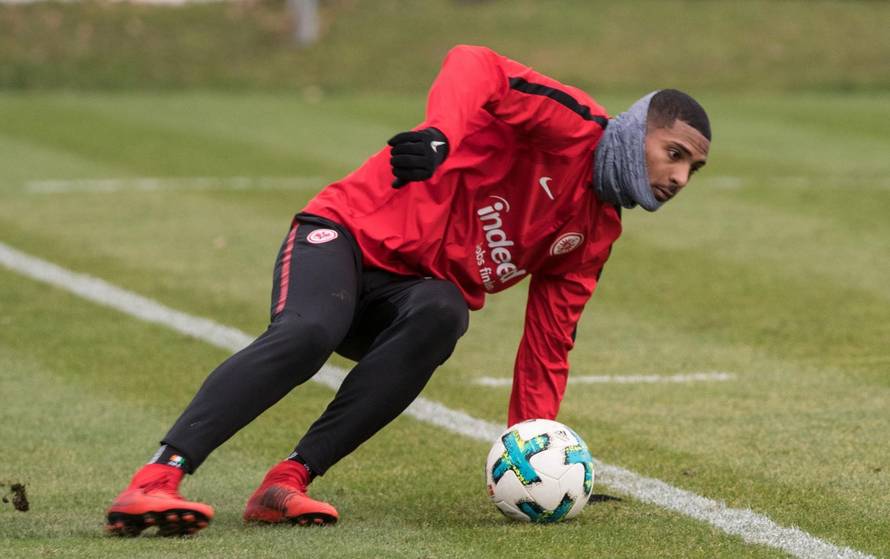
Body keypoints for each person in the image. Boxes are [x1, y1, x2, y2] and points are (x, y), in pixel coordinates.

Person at [105, 44, 710, 536]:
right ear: (638, 131)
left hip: (403, 295)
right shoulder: (573, 125)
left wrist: (535, 450)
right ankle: (157, 479)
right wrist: (442, 133)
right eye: (674, 153)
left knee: (445, 312)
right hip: (344, 235)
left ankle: (286, 482)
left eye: (693, 168)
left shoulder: (595, 233)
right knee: (309, 333)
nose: (680, 177)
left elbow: (547, 346)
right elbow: (475, 62)